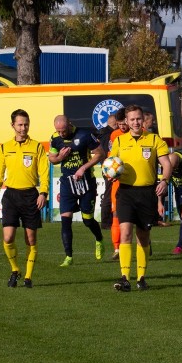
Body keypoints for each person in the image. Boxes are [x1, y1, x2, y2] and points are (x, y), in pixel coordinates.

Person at [108, 105, 173, 292]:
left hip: (147, 194)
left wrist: (164, 181)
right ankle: (125, 277)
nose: (135, 122)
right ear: (126, 122)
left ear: (142, 120)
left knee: (143, 237)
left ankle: (142, 277)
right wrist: (110, 174)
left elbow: (166, 164)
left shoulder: (154, 140)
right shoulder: (119, 142)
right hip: (126, 192)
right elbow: (111, 164)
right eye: (132, 119)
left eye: (138, 119)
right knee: (125, 232)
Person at [0, 109, 50, 289]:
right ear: (13, 126)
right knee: (8, 237)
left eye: (26, 124)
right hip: (11, 196)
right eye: (20, 124)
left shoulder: (37, 147)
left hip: (31, 195)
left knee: (30, 239)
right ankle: (15, 270)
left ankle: (29, 276)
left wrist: (43, 192)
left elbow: (44, 173)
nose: (23, 128)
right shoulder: (3, 148)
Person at [48, 115, 106, 266]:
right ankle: (69, 257)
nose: (61, 134)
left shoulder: (84, 134)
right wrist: (60, 157)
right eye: (58, 131)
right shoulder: (55, 138)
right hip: (67, 183)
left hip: (86, 182)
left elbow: (100, 154)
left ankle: (99, 239)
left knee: (87, 220)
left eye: (63, 130)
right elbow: (52, 158)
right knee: (65, 221)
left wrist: (83, 167)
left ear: (70, 124)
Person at [107, 109, 129, 260]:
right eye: (119, 124)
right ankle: (116, 248)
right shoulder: (114, 136)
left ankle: (145, 241)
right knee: (115, 214)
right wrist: (108, 171)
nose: (122, 126)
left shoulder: (142, 132)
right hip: (118, 181)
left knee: (137, 216)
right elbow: (111, 159)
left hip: (136, 181)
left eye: (124, 123)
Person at [96, 112, 118, 230]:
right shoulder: (108, 135)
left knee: (110, 193)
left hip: (109, 167)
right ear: (115, 123)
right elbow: (105, 152)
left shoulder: (102, 133)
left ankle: (109, 221)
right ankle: (106, 222)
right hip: (110, 168)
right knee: (109, 194)